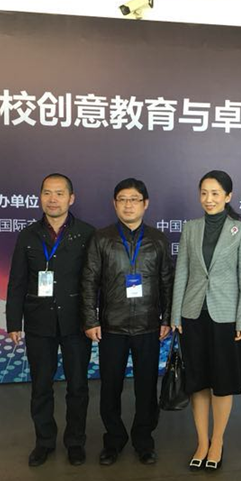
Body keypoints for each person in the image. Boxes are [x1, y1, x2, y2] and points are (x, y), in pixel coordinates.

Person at [81, 178, 174, 466]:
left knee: (147, 387)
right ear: (114, 204)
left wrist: (168, 317)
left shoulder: (158, 239)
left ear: (145, 204)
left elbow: (167, 282)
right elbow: (89, 281)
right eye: (122, 199)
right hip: (112, 326)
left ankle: (144, 440)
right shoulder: (101, 238)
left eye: (134, 199)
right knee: (110, 387)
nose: (128, 205)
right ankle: (114, 440)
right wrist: (90, 319)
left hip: (148, 325)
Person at [6, 173, 95, 467]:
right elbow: (17, 281)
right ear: (40, 197)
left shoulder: (87, 234)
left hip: (75, 322)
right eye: (47, 193)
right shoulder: (28, 235)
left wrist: (94, 319)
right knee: (41, 386)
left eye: (59, 193)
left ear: (71, 198)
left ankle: (75, 442)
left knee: (77, 386)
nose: (53, 199)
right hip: (38, 322)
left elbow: (94, 281)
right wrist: (14, 322)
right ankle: (44, 442)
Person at [171, 170, 241, 472]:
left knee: (222, 382)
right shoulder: (191, 228)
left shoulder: (240, 231)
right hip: (193, 314)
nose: (209, 199)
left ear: (228, 196)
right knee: (198, 381)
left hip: (226, 317)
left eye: (215, 193)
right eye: (204, 193)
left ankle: (217, 441)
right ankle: (201, 442)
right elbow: (182, 271)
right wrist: (175, 313)